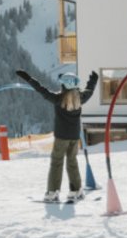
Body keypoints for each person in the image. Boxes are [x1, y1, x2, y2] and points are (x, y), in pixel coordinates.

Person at [16, 69, 98, 202]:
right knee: (72, 162)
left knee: (57, 163)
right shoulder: (80, 98)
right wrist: (94, 79)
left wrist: (28, 78)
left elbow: (41, 89)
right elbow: (90, 90)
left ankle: (52, 192)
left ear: (63, 86)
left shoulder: (58, 99)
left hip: (61, 137)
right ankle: (76, 190)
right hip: (74, 137)